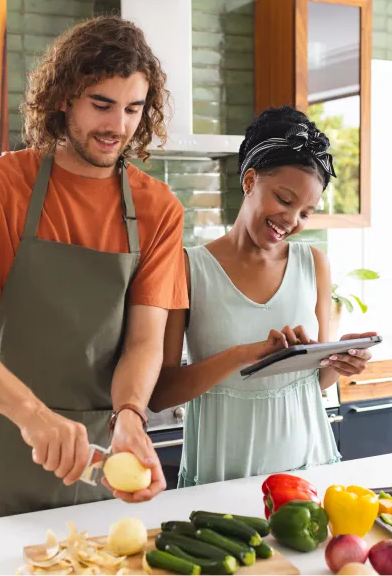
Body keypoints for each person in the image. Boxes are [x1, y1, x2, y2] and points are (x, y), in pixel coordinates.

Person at [0, 15, 189, 522]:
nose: (118, 127)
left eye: (132, 109)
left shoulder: (159, 208)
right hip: (9, 438)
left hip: (102, 457)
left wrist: (130, 416)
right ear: (63, 98)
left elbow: (145, 340)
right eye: (101, 105)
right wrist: (32, 415)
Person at [149, 106, 377, 487]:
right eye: (285, 200)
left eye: (306, 212)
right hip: (220, 476)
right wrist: (244, 354)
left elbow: (312, 381)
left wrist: (340, 361)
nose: (292, 220)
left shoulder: (314, 265)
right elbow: (160, 394)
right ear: (250, 180)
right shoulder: (189, 268)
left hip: (309, 468)